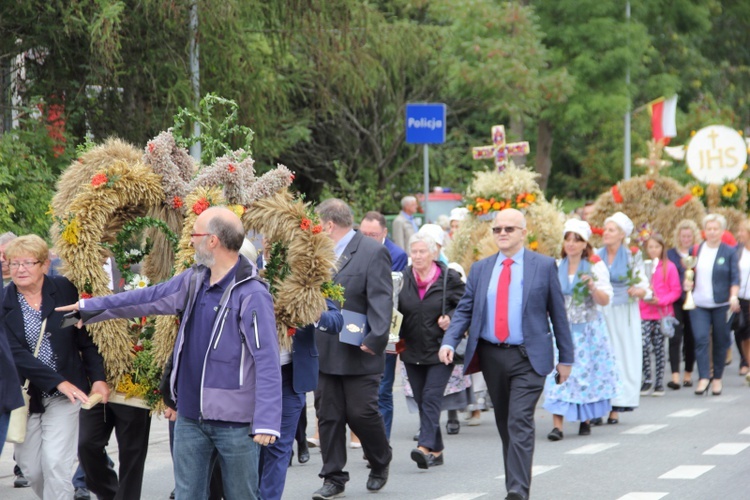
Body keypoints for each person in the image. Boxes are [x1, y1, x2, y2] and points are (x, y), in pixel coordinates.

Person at [57, 207, 282, 500]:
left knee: (241, 496)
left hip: (236, 423)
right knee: (188, 495)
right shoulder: (193, 280)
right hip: (189, 417)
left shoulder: (252, 294)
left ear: (213, 241)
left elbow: (266, 361)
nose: (190, 241)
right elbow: (147, 298)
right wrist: (90, 308)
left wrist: (266, 420)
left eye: (195, 234)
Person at [438, 208, 573, 500]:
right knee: (504, 424)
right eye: (497, 229)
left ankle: (517, 490)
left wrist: (566, 358)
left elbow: (558, 315)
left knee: (519, 421)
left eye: (509, 229)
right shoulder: (481, 268)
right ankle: (515, 482)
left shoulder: (544, 265)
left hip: (529, 357)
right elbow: (464, 310)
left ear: (523, 233)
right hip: (491, 357)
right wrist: (449, 341)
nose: (502, 234)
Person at [3, 235, 109, 500]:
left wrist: (98, 378)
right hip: (25, 398)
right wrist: (56, 380)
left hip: (66, 395)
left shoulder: (64, 290)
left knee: (56, 465)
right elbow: (14, 354)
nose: (20, 269)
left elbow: (86, 339)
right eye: (14, 263)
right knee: (33, 471)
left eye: (28, 262)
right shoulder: (3, 302)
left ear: (44, 264)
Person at [312, 198, 393, 500]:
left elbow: (382, 300)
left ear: (329, 224)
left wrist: (375, 338)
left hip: (360, 350)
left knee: (362, 413)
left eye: (318, 225)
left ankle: (380, 458)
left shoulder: (372, 251)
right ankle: (334, 477)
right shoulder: (316, 253)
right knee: (328, 415)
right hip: (325, 348)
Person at [259, 299, 343, 500]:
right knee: (253, 447)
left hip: (291, 375)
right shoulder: (247, 271)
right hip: (254, 376)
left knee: (279, 446)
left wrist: (314, 314)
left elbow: (336, 320)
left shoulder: (306, 276)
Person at [544, 219, 617, 441]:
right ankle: (558, 425)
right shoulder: (556, 266)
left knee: (583, 374)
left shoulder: (595, 267)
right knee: (558, 373)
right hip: (560, 327)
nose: (571, 244)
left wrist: (592, 287)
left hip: (587, 330)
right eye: (568, 239)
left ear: (585, 244)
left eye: (577, 240)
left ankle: (585, 419)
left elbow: (605, 300)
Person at [399, 232, 465, 468]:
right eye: (414, 251)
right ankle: (437, 451)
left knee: (430, 398)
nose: (417, 256)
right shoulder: (402, 278)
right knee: (420, 398)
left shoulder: (449, 277)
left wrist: (452, 319)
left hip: (441, 351)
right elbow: (392, 311)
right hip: (411, 350)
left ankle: (424, 446)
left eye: (422, 251)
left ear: (433, 253)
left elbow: (467, 305)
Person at [598, 212, 650, 424]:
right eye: (606, 229)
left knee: (620, 355)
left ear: (621, 235)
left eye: (611, 230)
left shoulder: (632, 256)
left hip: (623, 312)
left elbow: (644, 284)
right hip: (602, 311)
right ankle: (597, 404)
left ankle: (616, 406)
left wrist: (639, 290)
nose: (606, 233)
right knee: (601, 355)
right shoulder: (595, 255)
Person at [359, 211, 406, 442]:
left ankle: (382, 441)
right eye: (363, 233)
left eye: (373, 235)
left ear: (384, 233)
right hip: (358, 327)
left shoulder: (396, 255)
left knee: (384, 388)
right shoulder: (354, 248)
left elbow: (389, 296)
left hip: (386, 327)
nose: (367, 238)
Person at [686, 213, 740, 396]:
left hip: (722, 304)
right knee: (700, 339)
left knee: (721, 340)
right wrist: (687, 284)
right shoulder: (695, 250)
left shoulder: (729, 251)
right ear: (704, 231)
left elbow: (735, 278)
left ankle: (717, 378)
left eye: (715, 229)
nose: (712, 232)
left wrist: (733, 296)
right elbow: (688, 273)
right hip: (698, 303)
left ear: (722, 231)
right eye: (709, 228)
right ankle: (703, 377)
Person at [639, 233, 681, 396]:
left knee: (658, 347)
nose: (654, 250)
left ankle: (658, 382)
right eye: (650, 247)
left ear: (662, 248)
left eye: (657, 247)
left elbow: (675, 291)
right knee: (643, 345)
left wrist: (661, 300)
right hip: (644, 312)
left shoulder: (668, 267)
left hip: (661, 313)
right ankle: (647, 378)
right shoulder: (643, 266)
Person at [666, 220, 701, 389]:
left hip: (694, 300)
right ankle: (675, 376)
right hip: (675, 300)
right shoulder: (671, 254)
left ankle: (688, 372)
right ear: (678, 236)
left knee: (691, 337)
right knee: (675, 336)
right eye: (683, 236)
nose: (686, 239)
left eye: (689, 236)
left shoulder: (698, 252)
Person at [734, 218, 750, 382]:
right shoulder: (737, 251)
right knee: (741, 330)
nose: (739, 234)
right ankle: (745, 360)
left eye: (742, 231)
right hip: (741, 297)